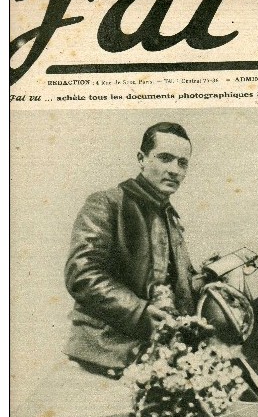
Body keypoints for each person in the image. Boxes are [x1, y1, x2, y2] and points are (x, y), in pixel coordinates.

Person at [64, 121, 202, 377]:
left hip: (152, 361)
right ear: (142, 158)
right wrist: (139, 312)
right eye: (165, 158)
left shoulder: (171, 219)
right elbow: (81, 274)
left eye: (182, 163)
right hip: (103, 357)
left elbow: (172, 289)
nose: (174, 170)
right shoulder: (107, 203)